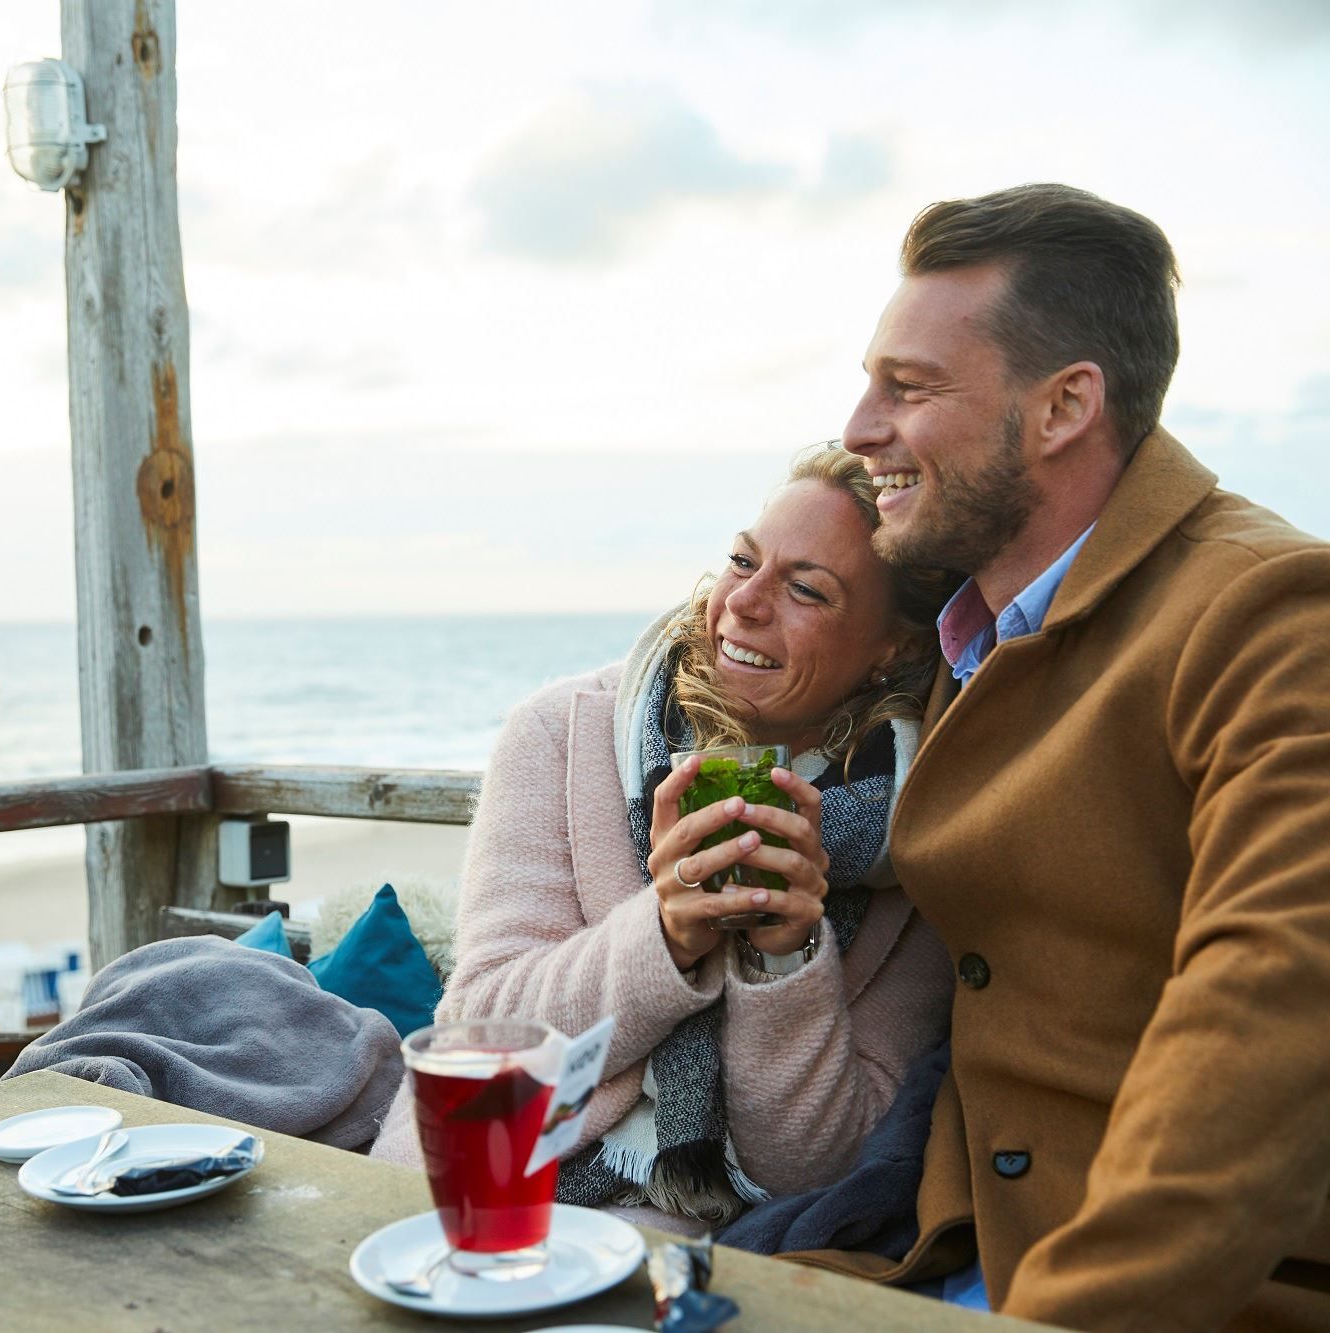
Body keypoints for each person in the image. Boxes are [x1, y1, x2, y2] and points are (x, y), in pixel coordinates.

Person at [815, 183, 1330, 1329]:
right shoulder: (969, 622)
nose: (856, 427)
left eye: (906, 387)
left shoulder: (1272, 610)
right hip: (942, 1245)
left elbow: (1272, 1011)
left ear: (1062, 408)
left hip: (1175, 1291)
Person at [370, 446, 958, 1233]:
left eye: (806, 589)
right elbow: (479, 1032)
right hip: (483, 1184)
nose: (744, 602)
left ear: (901, 647)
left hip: (716, 1239)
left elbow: (822, 1166)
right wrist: (667, 930)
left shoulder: (923, 828)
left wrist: (782, 953)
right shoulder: (563, 732)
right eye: (742, 560)